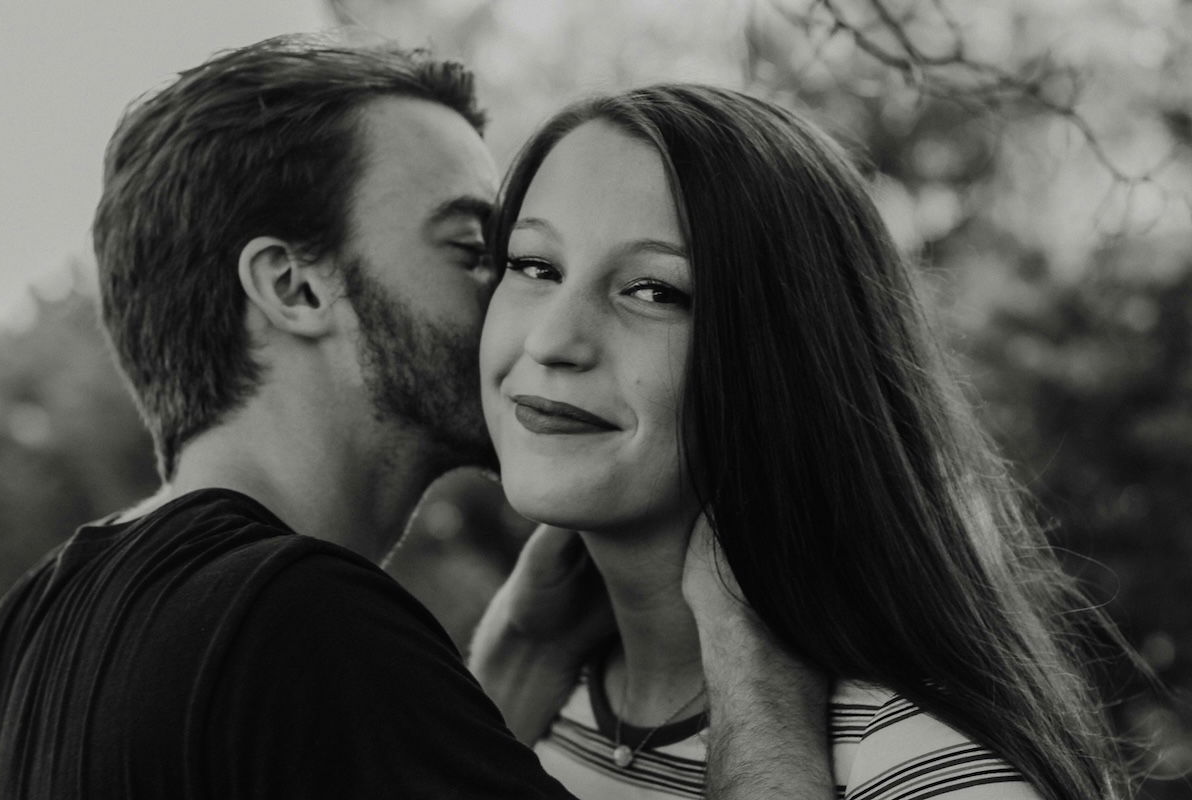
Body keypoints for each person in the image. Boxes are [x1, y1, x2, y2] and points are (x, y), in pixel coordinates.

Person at [0, 35, 833, 799]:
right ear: (297, 287)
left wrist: (519, 660)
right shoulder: (301, 623)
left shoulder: (31, 625)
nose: (525, 312)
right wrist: (759, 674)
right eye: (475, 253)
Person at [478, 84, 1134, 800]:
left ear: (790, 359)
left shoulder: (932, 769)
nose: (551, 340)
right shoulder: (537, 705)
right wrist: (513, 661)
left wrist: (753, 680)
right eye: (535, 267)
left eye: (655, 291)